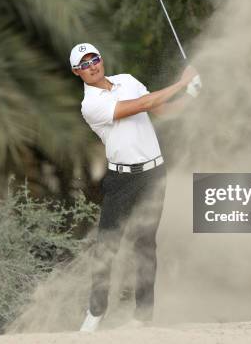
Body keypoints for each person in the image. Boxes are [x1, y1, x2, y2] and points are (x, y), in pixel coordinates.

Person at [69, 43, 200, 332]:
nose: (92, 65)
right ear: (77, 72)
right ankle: (95, 312)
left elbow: (161, 110)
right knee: (107, 244)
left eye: (94, 59)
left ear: (100, 60)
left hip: (154, 175)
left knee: (145, 245)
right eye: (84, 64)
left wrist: (191, 96)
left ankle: (143, 316)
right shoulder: (90, 105)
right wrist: (182, 82)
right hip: (122, 180)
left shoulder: (127, 81)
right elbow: (143, 105)